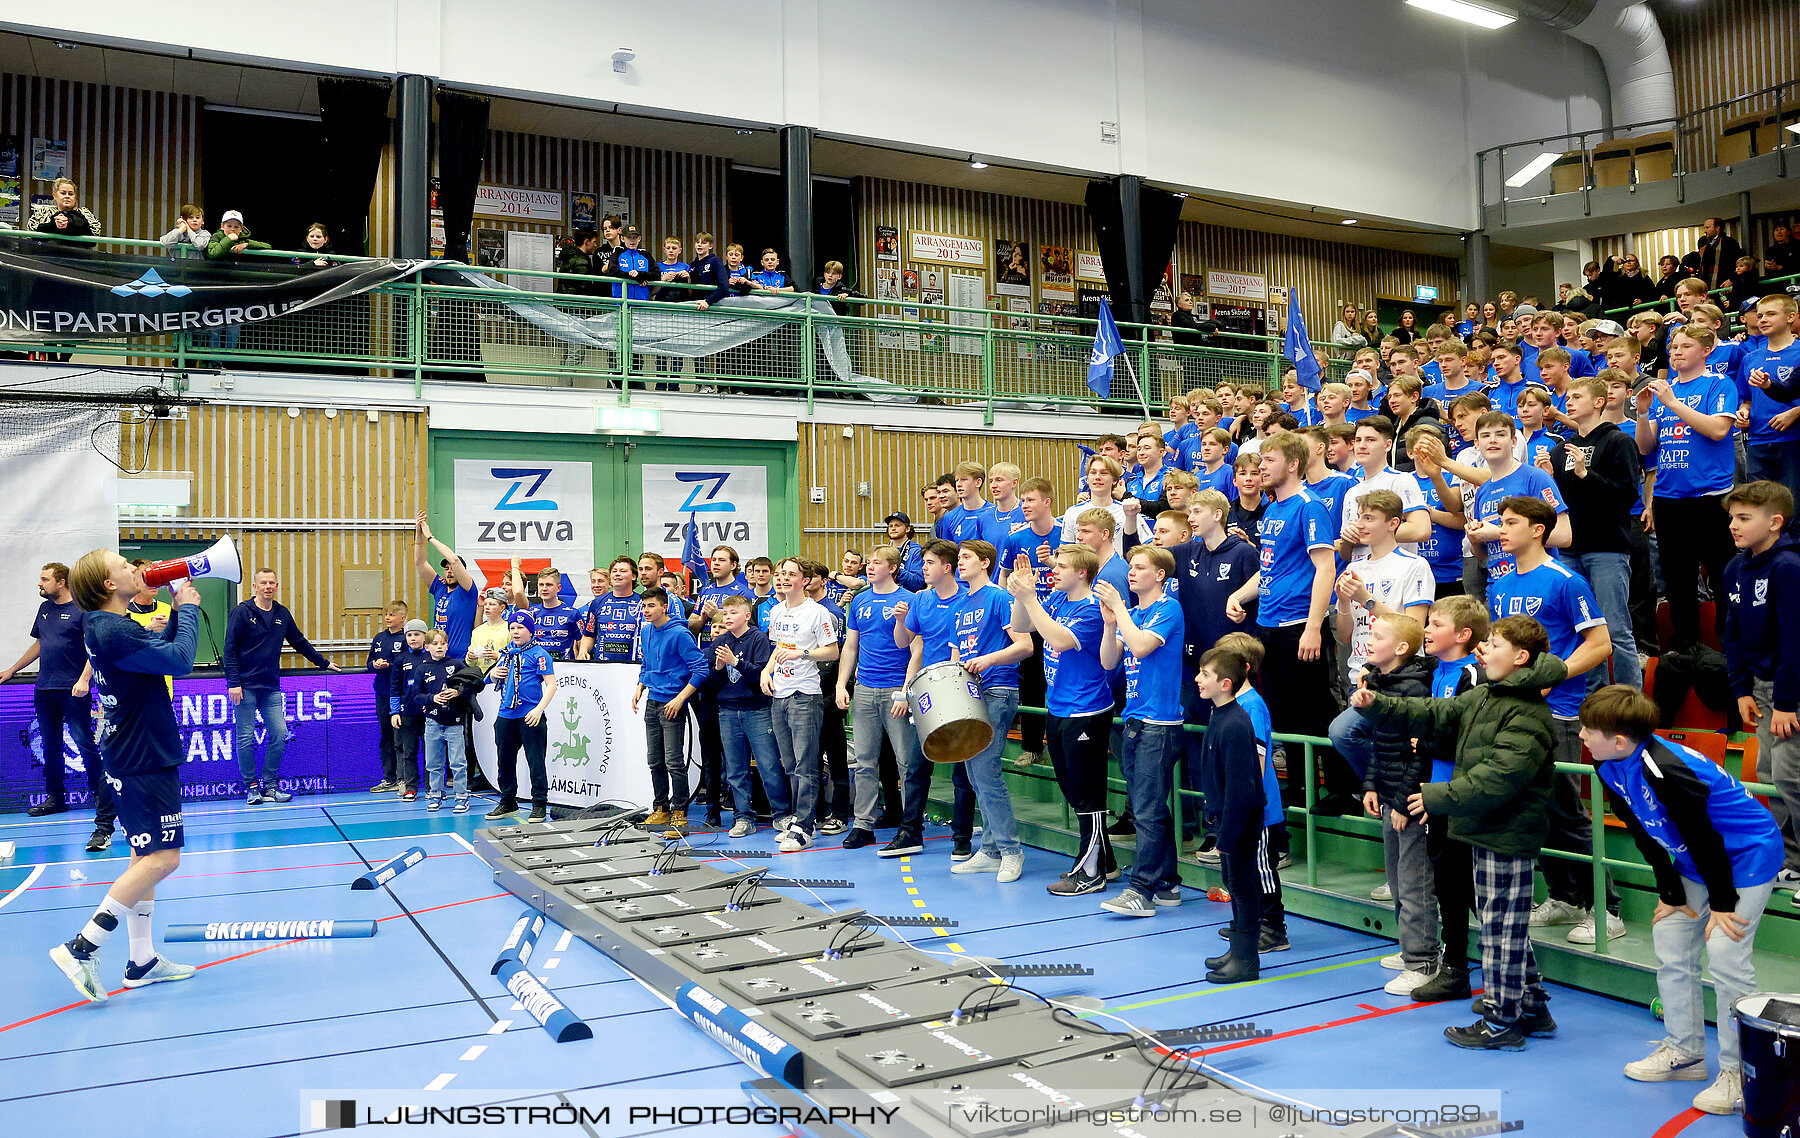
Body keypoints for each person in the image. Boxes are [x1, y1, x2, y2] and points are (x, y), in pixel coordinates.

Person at [1352, 614, 1564, 1050]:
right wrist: (1378, 705)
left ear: (1521, 657)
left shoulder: (1528, 714)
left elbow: (1496, 778)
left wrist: (1436, 796)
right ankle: (1531, 1005)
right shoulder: (1487, 695)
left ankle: (1503, 1021)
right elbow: (1432, 713)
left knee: (1501, 930)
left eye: (1495, 645)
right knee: (1503, 924)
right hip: (1485, 831)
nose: (1484, 650)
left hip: (1505, 835)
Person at [1584, 684, 1781, 1116]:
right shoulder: (1608, 766)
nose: (1580, 735)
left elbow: (1704, 836)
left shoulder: (1666, 769)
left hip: (1746, 853)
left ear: (1619, 740)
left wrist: (1724, 904)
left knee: (1726, 952)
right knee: (1671, 936)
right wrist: (1671, 892)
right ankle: (1685, 1053)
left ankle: (1739, 1074)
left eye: (1588, 729)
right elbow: (1645, 833)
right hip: (1696, 859)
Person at [48, 551, 202, 1003]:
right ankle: (82, 948)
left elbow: (156, 658)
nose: (136, 569)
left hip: (129, 750)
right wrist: (188, 608)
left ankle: (142, 961)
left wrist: (170, 620)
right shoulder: (112, 627)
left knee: (144, 859)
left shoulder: (105, 625)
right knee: (163, 859)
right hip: (142, 755)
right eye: (125, 567)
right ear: (109, 586)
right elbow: (179, 662)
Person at [1486, 496, 1620, 945]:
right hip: (1513, 709)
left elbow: (1601, 643)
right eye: (1499, 522)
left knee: (1566, 811)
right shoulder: (1500, 583)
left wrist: (1552, 675)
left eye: (1510, 523)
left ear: (1538, 529)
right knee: (1535, 812)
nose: (1500, 530)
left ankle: (1608, 908)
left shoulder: (1567, 579)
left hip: (1558, 712)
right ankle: (1565, 897)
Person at [1229, 434, 1345, 806]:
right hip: (1268, 624)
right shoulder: (1273, 509)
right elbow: (1270, 569)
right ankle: (1298, 787)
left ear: (1292, 464)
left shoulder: (1309, 507)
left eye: (1269, 460)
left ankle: (1342, 789)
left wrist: (1313, 627)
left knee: (1315, 710)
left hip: (1299, 624)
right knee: (1283, 714)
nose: (1261, 467)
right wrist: (1240, 594)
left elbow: (1325, 569)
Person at [1007, 542, 1116, 893]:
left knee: (1087, 793)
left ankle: (1092, 872)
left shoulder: (1090, 609)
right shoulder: (1055, 600)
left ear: (1082, 572)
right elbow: (1019, 625)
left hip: (1086, 710)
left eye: (1062, 566)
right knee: (1072, 788)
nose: (1054, 571)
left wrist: (1032, 599)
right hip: (1058, 708)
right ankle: (1106, 862)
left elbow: (1056, 640)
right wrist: (1021, 592)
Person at [1635, 325, 1740, 652]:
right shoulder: (1665, 392)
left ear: (1706, 350)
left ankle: (1728, 645)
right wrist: (1641, 413)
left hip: (1710, 497)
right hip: (1669, 498)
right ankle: (1686, 649)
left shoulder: (1719, 384)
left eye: (1684, 346)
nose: (1676, 352)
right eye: (1673, 347)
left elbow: (1718, 429)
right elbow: (1646, 445)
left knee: (1722, 577)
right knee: (1678, 582)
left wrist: (1673, 402)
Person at [1096, 545, 1186, 916]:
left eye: (1139, 567)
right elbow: (1108, 661)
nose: (1131, 572)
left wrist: (1119, 609)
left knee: (1146, 811)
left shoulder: (1168, 608)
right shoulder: (1131, 613)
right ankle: (1166, 883)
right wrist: (1110, 623)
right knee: (1151, 809)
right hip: (1134, 719)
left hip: (1159, 724)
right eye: (1129, 566)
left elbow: (1142, 647)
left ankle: (1142, 890)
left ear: (1159, 575)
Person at [1540, 375, 1643, 692]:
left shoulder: (1618, 441)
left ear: (1600, 402)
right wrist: (1548, 481)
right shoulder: (1559, 450)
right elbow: (1558, 505)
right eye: (1567, 397)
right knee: (1583, 629)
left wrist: (1586, 473)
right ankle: (1595, 697)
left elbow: (1628, 495)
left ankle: (1628, 700)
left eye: (1577, 396)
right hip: (1569, 549)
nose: (1568, 402)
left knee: (1615, 628)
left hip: (1607, 547)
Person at [1352, 613, 1437, 994]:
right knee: (1397, 880)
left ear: (1401, 648)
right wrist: (1371, 784)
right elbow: (1380, 743)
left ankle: (1423, 961)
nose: (1370, 639)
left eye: (1378, 635)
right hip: (1388, 795)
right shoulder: (1379, 683)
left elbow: (1419, 754)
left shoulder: (1416, 688)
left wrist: (1403, 802)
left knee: (1415, 881)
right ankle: (1410, 950)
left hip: (1410, 804)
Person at [1, 564, 114, 848]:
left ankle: (100, 798)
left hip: (73, 688)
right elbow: (40, 644)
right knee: (50, 746)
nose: (40, 584)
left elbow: (94, 648)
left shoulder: (82, 610)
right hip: (45, 687)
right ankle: (56, 798)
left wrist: (84, 680)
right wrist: (12, 669)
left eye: (44, 579)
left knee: (84, 743)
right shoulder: (45, 610)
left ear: (61, 582)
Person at [1723, 481, 1800, 888]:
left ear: (1775, 522)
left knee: (1792, 776)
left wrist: (1787, 702)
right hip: (1762, 688)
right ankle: (1790, 860)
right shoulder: (1735, 568)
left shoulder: (1788, 567)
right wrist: (1741, 690)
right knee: (1770, 775)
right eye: (1732, 518)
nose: (1733, 525)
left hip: (1792, 691)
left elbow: (1795, 641)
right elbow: (1732, 634)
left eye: (1744, 518)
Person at [944, 540, 1032, 879]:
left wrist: (987, 660)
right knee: (973, 772)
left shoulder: (998, 597)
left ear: (985, 562)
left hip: (997, 689)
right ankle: (992, 849)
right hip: (970, 693)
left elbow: (1024, 646)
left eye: (966, 557)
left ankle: (1011, 850)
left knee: (985, 770)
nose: (960, 563)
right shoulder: (961, 605)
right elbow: (955, 659)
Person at [222, 567, 339, 806]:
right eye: (263, 582)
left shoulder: (281, 613)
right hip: (244, 687)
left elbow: (299, 642)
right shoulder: (242, 612)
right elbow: (229, 649)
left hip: (270, 686)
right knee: (245, 737)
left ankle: (271, 785)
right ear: (254, 587)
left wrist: (324, 663)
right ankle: (252, 787)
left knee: (280, 733)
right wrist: (233, 683)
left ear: (276, 586)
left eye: (272, 583)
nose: (268, 586)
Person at [894, 539, 978, 859]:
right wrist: (901, 621)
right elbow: (906, 644)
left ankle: (962, 837)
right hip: (927, 692)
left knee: (961, 772)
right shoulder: (921, 599)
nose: (923, 568)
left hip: (959, 688)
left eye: (928, 562)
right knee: (917, 766)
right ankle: (910, 831)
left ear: (947, 567)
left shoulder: (967, 600)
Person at [836, 547, 919, 850]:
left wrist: (907, 691)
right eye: (868, 563)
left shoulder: (910, 600)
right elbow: (850, 647)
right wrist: (842, 684)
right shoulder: (859, 600)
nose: (869, 568)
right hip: (865, 689)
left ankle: (911, 823)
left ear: (894, 568)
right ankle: (863, 824)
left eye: (876, 563)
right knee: (865, 761)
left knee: (906, 761)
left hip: (897, 689)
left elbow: (915, 648)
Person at [1195, 643, 1265, 982]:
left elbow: (1241, 787)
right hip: (1227, 820)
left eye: (1205, 675)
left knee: (1242, 885)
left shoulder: (1236, 723)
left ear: (1225, 684)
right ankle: (1237, 947)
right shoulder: (1220, 715)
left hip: (1239, 822)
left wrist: (1227, 834)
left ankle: (1247, 960)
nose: (1197, 679)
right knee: (1233, 883)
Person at [761, 557, 839, 852]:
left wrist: (803, 654)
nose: (782, 579)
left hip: (804, 695)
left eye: (790, 574)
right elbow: (778, 648)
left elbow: (832, 652)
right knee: (790, 763)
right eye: (780, 574)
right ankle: (798, 819)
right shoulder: (777, 611)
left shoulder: (817, 613)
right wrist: (766, 671)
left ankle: (805, 827)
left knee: (806, 764)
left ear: (804, 581)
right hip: (778, 695)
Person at [710, 594, 784, 837]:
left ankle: (781, 814)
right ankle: (743, 817)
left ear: (747, 616)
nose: (728, 617)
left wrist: (735, 662)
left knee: (769, 765)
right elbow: (712, 684)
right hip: (728, 711)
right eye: (725, 612)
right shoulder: (720, 641)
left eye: (733, 613)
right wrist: (720, 668)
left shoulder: (758, 639)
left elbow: (761, 676)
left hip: (757, 711)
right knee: (735, 769)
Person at [635, 587, 707, 836]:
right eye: (644, 606)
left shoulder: (680, 634)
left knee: (674, 761)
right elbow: (646, 664)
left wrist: (680, 699)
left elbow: (701, 669)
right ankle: (661, 808)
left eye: (651, 606)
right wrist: (640, 685)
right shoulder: (645, 631)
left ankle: (680, 813)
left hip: (672, 705)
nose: (646, 611)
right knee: (654, 760)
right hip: (652, 702)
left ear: (664, 607)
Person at [1000, 478, 1061, 770]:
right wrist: (1012, 593)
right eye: (1022, 500)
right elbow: (1003, 577)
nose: (1024, 506)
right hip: (1030, 618)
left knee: (1060, 681)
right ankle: (1033, 747)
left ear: (1047, 502)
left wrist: (1052, 562)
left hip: (1062, 616)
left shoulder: (1066, 533)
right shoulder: (1016, 539)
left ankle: (1059, 743)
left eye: (1030, 500)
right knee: (1031, 682)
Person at [485, 612, 557, 823]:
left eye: (521, 628)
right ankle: (508, 801)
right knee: (504, 761)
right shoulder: (505, 654)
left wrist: (538, 709)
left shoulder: (540, 654)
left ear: (530, 630)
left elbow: (551, 684)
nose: (516, 632)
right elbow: (487, 680)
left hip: (530, 717)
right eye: (512, 628)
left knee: (535, 761)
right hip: (506, 715)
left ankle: (539, 804)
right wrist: (492, 675)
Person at [1738, 294, 1800, 494]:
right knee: (1762, 508)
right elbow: (1747, 399)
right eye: (1760, 315)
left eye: (1771, 314)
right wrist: (1743, 412)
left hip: (1793, 440)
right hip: (1757, 441)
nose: (1762, 319)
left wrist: (1797, 411)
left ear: (1791, 317)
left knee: (1794, 512)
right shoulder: (1749, 359)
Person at [414, 628, 473, 813]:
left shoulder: (456, 664)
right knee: (433, 762)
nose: (439, 647)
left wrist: (458, 692)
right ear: (427, 647)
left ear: (447, 646)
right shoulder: (422, 669)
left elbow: (474, 683)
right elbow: (416, 695)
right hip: (432, 722)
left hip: (455, 722)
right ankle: (436, 795)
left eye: (442, 643)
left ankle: (462, 797)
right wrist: (432, 698)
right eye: (435, 644)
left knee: (458, 762)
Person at [414, 512, 480, 662]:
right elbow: (420, 563)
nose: (450, 571)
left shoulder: (467, 591)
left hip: (460, 658)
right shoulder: (440, 587)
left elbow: (455, 560)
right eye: (446, 568)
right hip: (437, 656)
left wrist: (430, 538)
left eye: (453, 569)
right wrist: (419, 535)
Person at [366, 601, 409, 793]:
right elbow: (368, 663)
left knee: (401, 737)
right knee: (386, 738)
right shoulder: (379, 638)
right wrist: (375, 665)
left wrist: (390, 666)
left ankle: (404, 779)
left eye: (392, 615)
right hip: (382, 693)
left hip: (400, 695)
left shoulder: (407, 639)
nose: (387, 618)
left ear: (402, 618)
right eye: (386, 614)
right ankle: (389, 778)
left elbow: (408, 666)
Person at [386, 620, 430, 802]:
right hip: (407, 714)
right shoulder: (401, 659)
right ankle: (411, 787)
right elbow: (395, 686)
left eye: (417, 634)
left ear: (424, 637)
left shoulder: (431, 656)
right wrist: (395, 712)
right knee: (409, 752)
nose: (413, 638)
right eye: (409, 635)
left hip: (429, 714)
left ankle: (432, 788)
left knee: (431, 752)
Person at [578, 556, 643, 663]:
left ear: (634, 576)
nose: (617, 574)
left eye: (623, 571)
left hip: (634, 666)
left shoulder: (642, 602)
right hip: (603, 667)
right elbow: (589, 634)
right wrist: (583, 650)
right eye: (614, 571)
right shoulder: (598, 602)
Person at [940, 461, 996, 542]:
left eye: (964, 479)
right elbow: (948, 552)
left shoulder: (994, 513)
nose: (958, 484)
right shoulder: (950, 517)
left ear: (978, 482)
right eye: (957, 480)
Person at [31, 178, 101, 237]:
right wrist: (53, 225)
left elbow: (95, 234)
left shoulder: (85, 213)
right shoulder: (43, 212)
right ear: (54, 195)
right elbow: (31, 233)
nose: (67, 196)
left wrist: (69, 224)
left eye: (70, 194)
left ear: (75, 197)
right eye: (63, 193)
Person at [688, 232, 733, 311]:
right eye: (697, 242)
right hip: (695, 305)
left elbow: (724, 286)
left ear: (711, 246)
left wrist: (708, 301)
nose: (699, 245)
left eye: (703, 243)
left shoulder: (715, 261)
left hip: (711, 306)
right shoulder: (692, 265)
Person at [610, 225, 653, 300]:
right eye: (629, 237)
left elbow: (656, 274)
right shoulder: (618, 252)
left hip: (642, 304)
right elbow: (612, 271)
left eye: (635, 237)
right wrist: (635, 277)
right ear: (622, 238)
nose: (632, 240)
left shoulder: (645, 254)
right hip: (621, 303)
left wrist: (640, 275)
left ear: (639, 239)